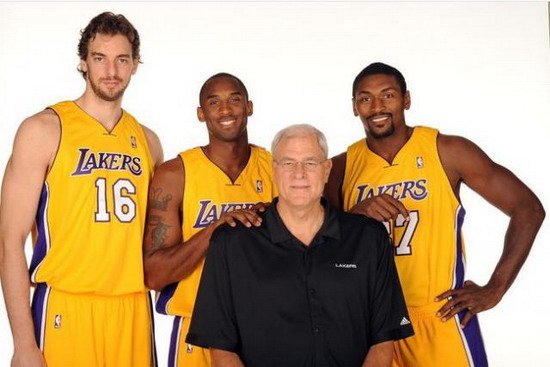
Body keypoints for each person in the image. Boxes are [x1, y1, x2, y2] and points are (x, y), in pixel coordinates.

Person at [324, 62, 545, 366]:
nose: (377, 106)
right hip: (371, 326)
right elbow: (312, 240)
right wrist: (353, 218)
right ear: (354, 107)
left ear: (406, 99)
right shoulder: (340, 168)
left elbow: (528, 208)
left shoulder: (448, 150)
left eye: (387, 95)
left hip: (438, 316)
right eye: (365, 98)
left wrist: (496, 288)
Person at [0, 12, 163, 367]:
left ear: (135, 64)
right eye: (99, 58)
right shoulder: (44, 129)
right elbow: (9, 241)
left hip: (133, 309)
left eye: (122, 59)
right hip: (66, 306)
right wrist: (23, 344)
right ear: (83, 62)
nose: (111, 71)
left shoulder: (148, 142)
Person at [186, 124, 414, 367]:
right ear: (274, 170)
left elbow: (382, 343)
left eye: (310, 163)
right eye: (288, 163)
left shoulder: (369, 238)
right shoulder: (231, 243)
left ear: (327, 170)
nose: (299, 174)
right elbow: (222, 351)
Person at [143, 72, 276, 367]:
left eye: (234, 100)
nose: (225, 110)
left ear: (249, 107)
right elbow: (154, 274)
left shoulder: (277, 167)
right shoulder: (175, 174)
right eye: (214, 102)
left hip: (267, 326)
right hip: (197, 331)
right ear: (201, 114)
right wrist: (216, 228)